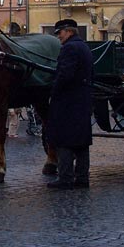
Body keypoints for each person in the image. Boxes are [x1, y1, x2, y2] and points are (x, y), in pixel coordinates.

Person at [45, 19, 94, 190]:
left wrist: (54, 91)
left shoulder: (70, 48)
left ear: (69, 31)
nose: (58, 36)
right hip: (82, 100)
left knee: (63, 140)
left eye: (60, 32)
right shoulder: (83, 47)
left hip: (68, 102)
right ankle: (82, 178)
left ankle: (65, 177)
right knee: (81, 142)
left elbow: (65, 74)